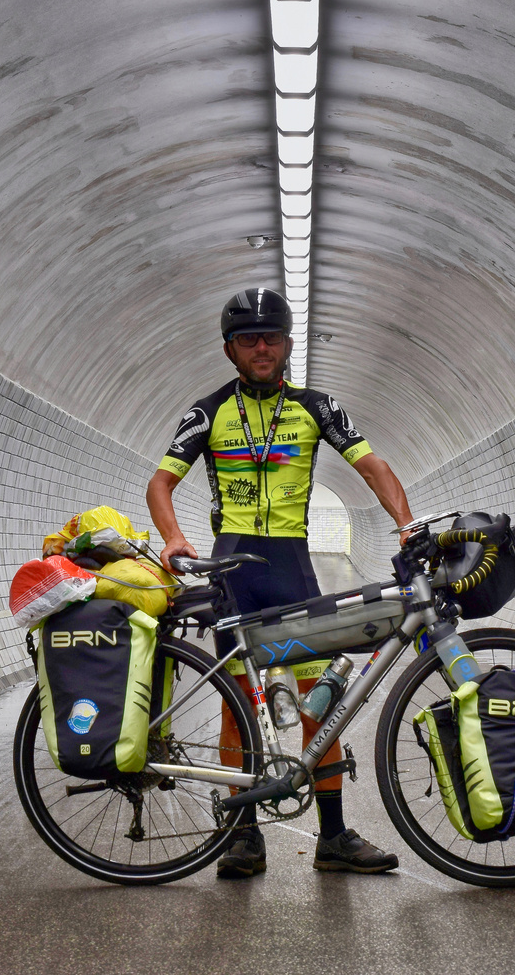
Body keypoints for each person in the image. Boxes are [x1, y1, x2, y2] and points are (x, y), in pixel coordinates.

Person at [146, 288, 414, 878]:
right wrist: (172, 538)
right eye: (249, 339)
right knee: (235, 707)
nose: (261, 347)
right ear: (229, 350)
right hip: (233, 570)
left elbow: (374, 467)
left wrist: (405, 524)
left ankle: (334, 836)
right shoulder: (209, 411)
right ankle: (243, 839)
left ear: (289, 344)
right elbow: (161, 484)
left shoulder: (317, 407)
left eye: (271, 336)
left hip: (294, 571)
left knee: (322, 703)